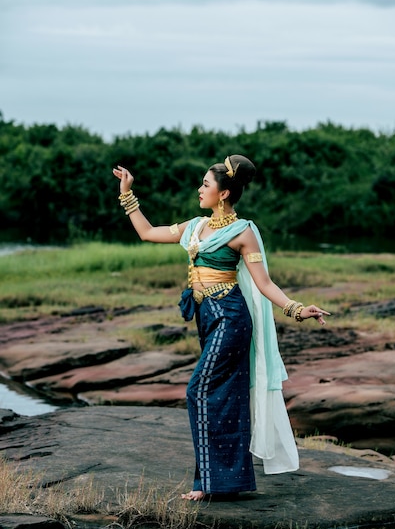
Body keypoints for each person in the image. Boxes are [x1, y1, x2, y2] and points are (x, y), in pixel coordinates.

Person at [113, 155, 330, 502]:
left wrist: (297, 309)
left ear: (224, 193)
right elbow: (147, 233)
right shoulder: (195, 227)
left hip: (230, 317)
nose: (200, 189)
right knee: (223, 397)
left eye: (206, 185)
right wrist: (128, 194)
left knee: (197, 391)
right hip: (208, 317)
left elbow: (264, 283)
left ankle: (206, 483)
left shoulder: (243, 233)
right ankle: (224, 482)